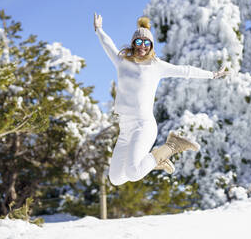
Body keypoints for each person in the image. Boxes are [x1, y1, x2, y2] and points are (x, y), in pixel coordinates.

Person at [94, 13, 229, 186]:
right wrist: (99, 30)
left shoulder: (156, 66)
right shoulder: (122, 62)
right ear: (133, 43)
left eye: (146, 43)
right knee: (116, 178)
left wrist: (213, 74)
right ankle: (157, 159)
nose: (142, 46)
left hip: (143, 125)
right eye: (138, 42)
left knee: (134, 172)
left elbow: (185, 71)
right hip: (125, 128)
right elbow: (108, 45)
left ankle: (173, 145)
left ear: (151, 46)